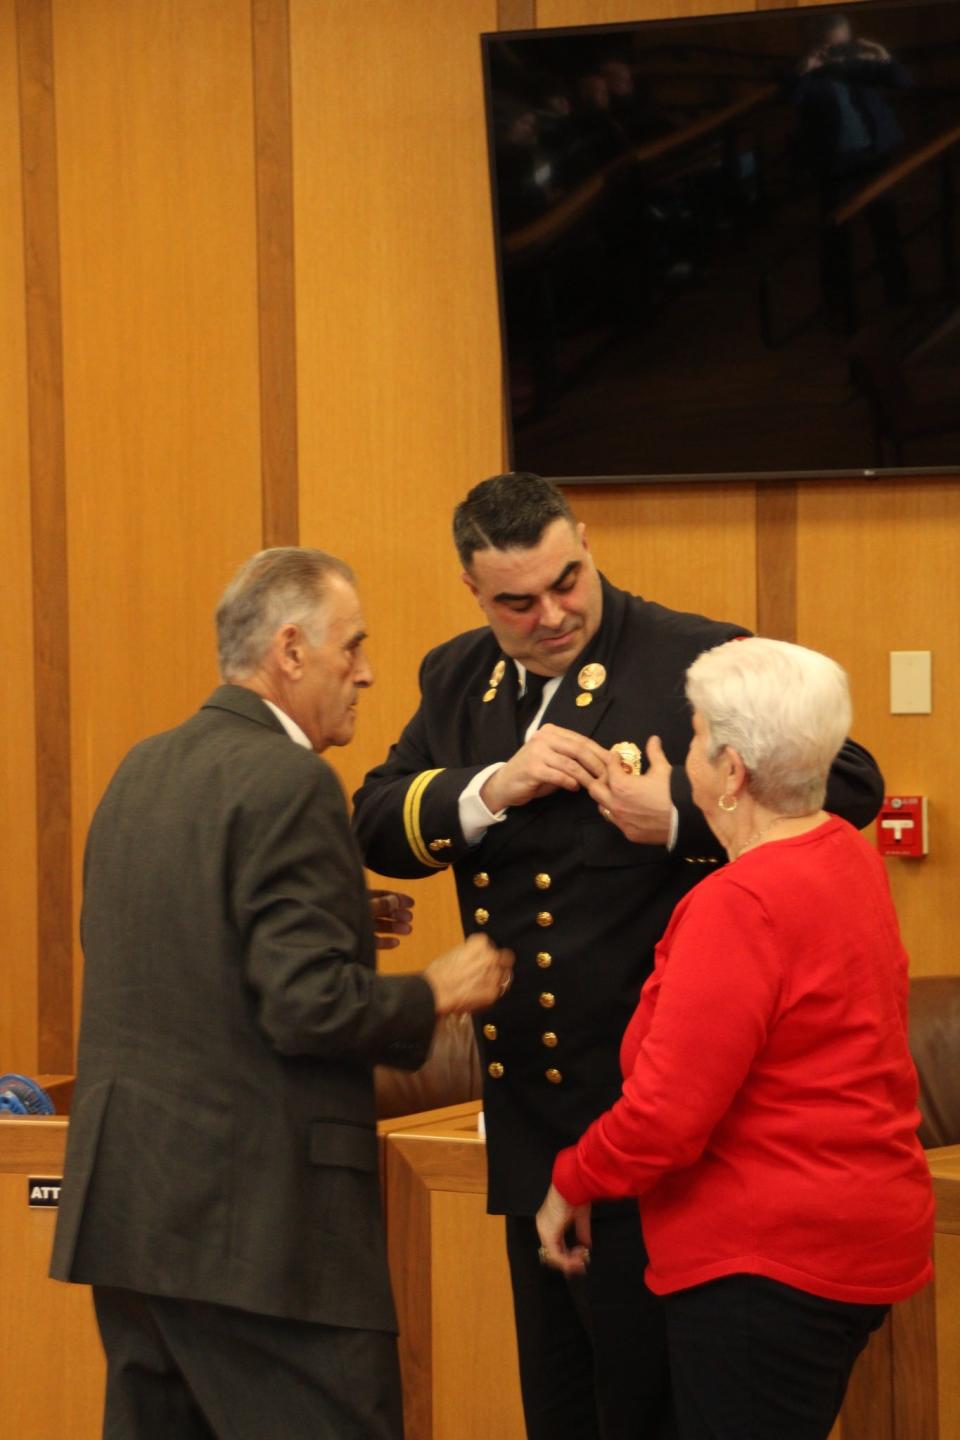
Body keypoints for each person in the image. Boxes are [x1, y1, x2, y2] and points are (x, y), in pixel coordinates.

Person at [352, 473, 885, 1440]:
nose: (553, 613)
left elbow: (844, 786)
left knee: (650, 1410)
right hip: (532, 1123)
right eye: (519, 600)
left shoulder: (692, 653)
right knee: (562, 1409)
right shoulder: (458, 679)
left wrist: (676, 817)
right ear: (475, 592)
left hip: (659, 1129)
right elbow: (378, 820)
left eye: (569, 579)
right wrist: (490, 789)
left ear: (587, 544)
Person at [50, 547, 514, 1440]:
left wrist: (343, 912)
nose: (367, 672)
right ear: (292, 650)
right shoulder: (291, 780)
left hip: (134, 1215)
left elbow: (170, 948)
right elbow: (308, 1009)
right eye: (354, 648)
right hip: (259, 1231)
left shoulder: (141, 770)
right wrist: (434, 991)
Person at [536, 636, 934, 1440]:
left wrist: (574, 1175)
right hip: (851, 1240)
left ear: (732, 771)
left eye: (692, 738)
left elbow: (665, 1118)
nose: (682, 757)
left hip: (768, 1260)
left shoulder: (740, 902)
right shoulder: (846, 860)